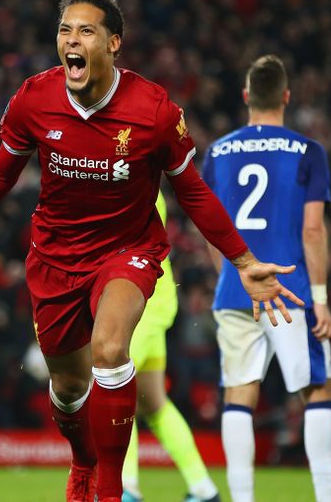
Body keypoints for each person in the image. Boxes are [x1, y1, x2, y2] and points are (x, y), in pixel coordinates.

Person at [0, 0, 303, 502]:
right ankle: (83, 461)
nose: (72, 40)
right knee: (67, 390)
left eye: (86, 31)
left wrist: (243, 260)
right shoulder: (35, 99)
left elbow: (192, 191)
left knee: (109, 351)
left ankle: (109, 491)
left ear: (113, 43)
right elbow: (0, 171)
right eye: (65, 30)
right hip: (55, 256)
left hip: (127, 251)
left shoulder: (153, 111)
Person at [202, 55, 331, 502]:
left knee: (239, 393)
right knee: (317, 387)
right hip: (290, 291)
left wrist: (231, 275)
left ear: (246, 97)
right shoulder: (308, 151)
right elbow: (313, 230)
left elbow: (210, 229)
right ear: (286, 97)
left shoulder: (217, 153)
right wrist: (320, 297)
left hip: (235, 290)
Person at [121, 192, 219, 502]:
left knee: (113, 393)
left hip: (136, 304)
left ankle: (126, 488)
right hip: (154, 302)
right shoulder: (149, 185)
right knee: (153, 404)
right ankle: (203, 488)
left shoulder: (129, 181)